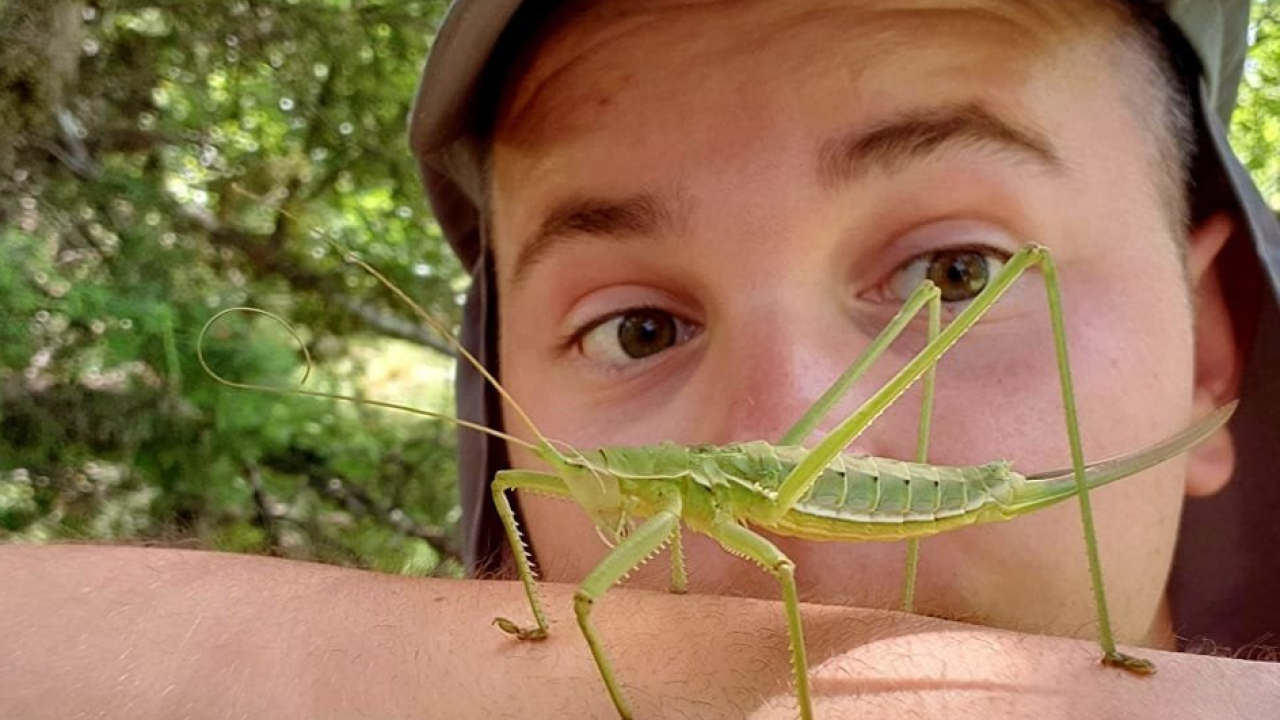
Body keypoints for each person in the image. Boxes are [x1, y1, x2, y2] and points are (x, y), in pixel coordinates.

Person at [4, 0, 1279, 718]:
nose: (771, 403)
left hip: (813, 488)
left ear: (1209, 342)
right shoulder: (550, 484)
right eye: (638, 330)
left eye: (952, 273)